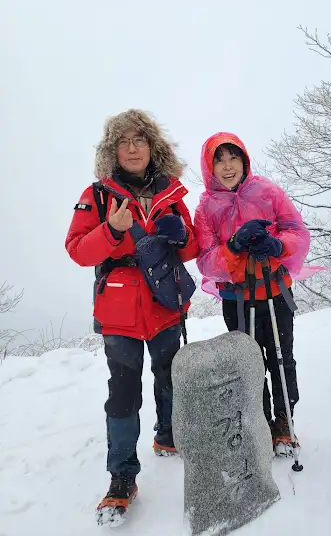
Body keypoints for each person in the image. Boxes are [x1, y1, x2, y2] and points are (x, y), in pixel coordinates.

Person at [65, 109, 198, 521]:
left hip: (164, 302)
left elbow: (191, 248)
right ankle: (122, 476)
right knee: (123, 393)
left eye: (139, 139)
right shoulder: (97, 195)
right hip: (120, 309)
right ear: (113, 151)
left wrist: (182, 235)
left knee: (169, 374)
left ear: (152, 146)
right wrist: (112, 231)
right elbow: (77, 249)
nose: (133, 148)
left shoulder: (171, 192)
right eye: (123, 142)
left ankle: (168, 435)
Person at [194, 132, 310, 456]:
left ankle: (284, 422)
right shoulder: (205, 208)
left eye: (233, 158)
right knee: (248, 364)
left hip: (274, 291)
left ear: (244, 160)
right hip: (237, 299)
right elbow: (206, 261)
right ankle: (259, 423)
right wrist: (233, 246)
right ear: (209, 167)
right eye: (219, 160)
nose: (228, 166)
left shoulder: (268, 191)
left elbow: (297, 231)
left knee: (281, 359)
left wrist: (277, 245)